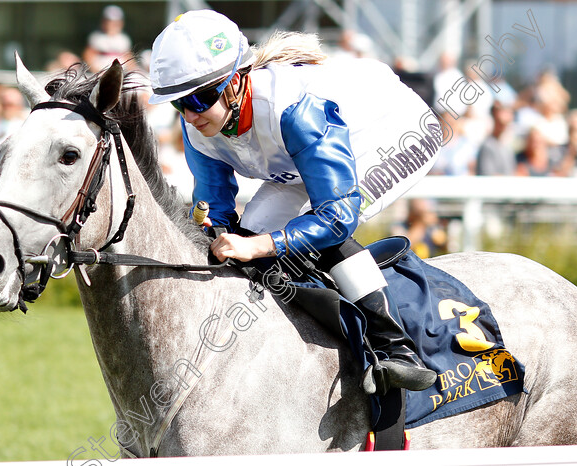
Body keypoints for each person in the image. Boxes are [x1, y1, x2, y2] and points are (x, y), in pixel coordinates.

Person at [148, 10, 439, 395]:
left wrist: (259, 245)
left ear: (237, 81)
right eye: (178, 103)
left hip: (393, 131)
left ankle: (395, 349)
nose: (190, 113)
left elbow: (337, 216)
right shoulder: (196, 125)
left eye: (201, 98)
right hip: (302, 161)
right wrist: (217, 238)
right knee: (248, 239)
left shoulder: (295, 107)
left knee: (299, 233)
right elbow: (213, 210)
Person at [82, 5, 132, 74]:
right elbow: (88, 57)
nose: (112, 24)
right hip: (100, 74)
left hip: (121, 74)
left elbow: (128, 58)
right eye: (109, 21)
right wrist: (98, 72)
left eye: (115, 22)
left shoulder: (124, 39)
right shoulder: (96, 37)